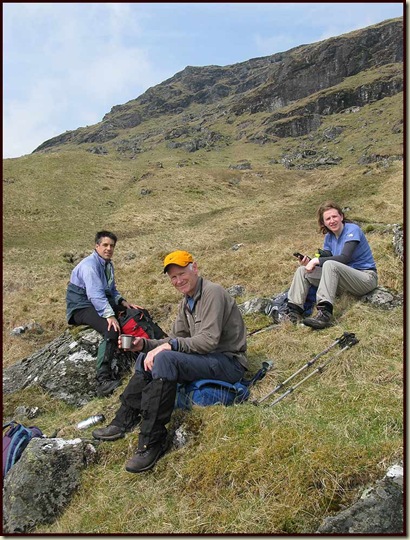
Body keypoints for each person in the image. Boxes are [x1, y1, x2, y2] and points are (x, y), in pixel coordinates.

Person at [92, 250, 248, 473]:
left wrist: (170, 346)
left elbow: (208, 341)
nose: (178, 280)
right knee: (146, 357)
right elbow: (175, 338)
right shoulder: (187, 301)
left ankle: (151, 442)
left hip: (229, 363)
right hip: (206, 359)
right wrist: (143, 345)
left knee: (165, 359)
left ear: (195, 268)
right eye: (173, 277)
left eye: (182, 273)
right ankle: (123, 420)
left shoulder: (213, 293)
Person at [66, 231, 140, 397]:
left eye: (112, 246)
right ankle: (103, 380)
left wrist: (122, 302)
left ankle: (140, 353)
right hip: (81, 307)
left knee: (133, 314)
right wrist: (109, 315)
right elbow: (95, 294)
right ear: (97, 246)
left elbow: (111, 290)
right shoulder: (90, 266)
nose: (109, 249)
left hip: (96, 302)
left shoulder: (107, 264)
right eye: (105, 245)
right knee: (111, 328)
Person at [287, 201, 378, 329]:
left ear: (341, 216)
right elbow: (326, 263)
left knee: (330, 264)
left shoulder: (352, 229)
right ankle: (294, 312)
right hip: (343, 280)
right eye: (328, 219)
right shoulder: (329, 237)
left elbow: (344, 258)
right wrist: (309, 262)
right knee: (303, 271)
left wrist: (316, 261)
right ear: (323, 223)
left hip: (365, 278)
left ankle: (324, 314)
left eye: (334, 216)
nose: (332, 221)